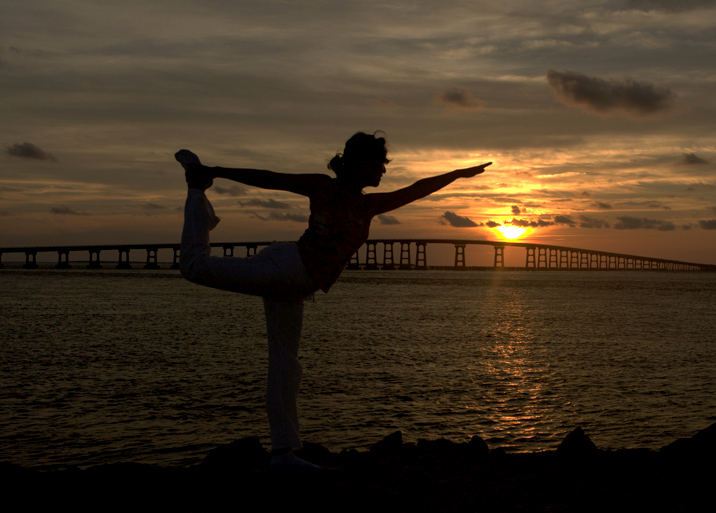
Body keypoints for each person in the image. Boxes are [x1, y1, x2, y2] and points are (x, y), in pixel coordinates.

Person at [176, 131, 491, 469]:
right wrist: (214, 171)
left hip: (298, 285)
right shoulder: (323, 186)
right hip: (287, 265)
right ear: (358, 162)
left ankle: (283, 453)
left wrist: (457, 175)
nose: (383, 171)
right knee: (195, 267)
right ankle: (196, 189)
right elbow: (270, 179)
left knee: (285, 367)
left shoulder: (370, 205)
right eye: (378, 163)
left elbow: (417, 189)